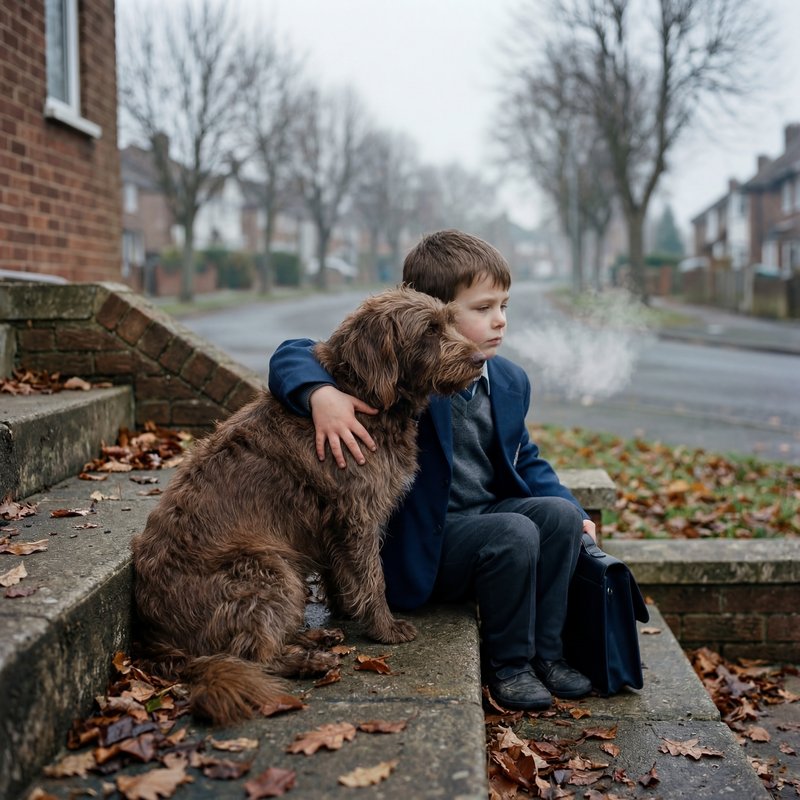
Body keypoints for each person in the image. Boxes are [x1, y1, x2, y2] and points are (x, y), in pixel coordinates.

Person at [267, 229, 595, 711]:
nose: (500, 321)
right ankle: (509, 664)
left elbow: (525, 456)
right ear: (431, 311)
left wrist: (572, 507)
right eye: (482, 309)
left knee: (557, 518)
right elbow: (293, 352)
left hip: (486, 519)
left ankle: (548, 653)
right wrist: (320, 394)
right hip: (428, 546)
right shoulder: (408, 372)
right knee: (514, 532)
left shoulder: (507, 379)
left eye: (504, 306)